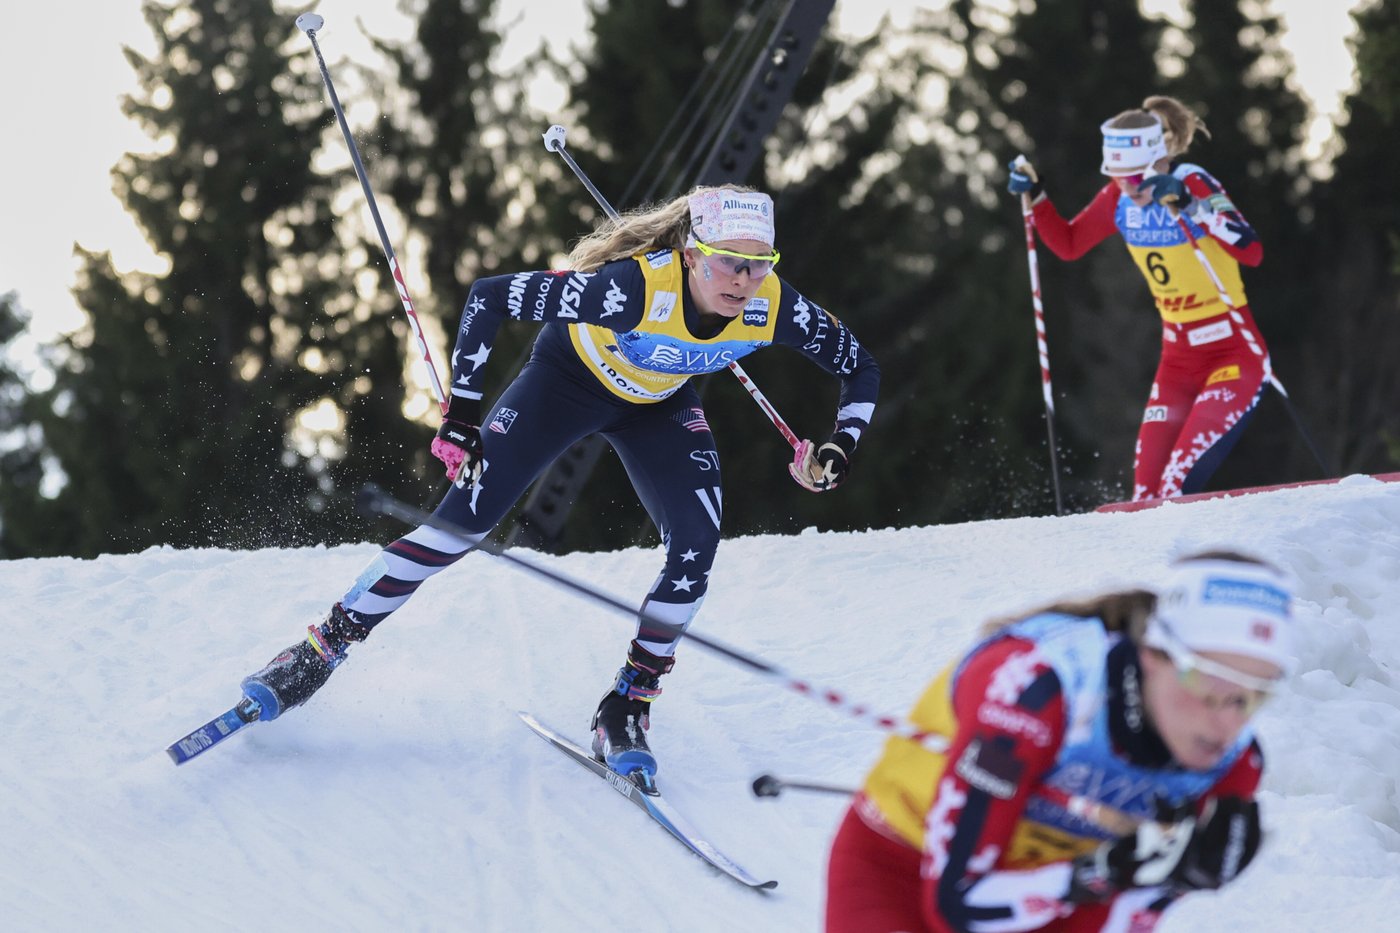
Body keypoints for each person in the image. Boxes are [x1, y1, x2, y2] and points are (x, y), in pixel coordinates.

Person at [240, 186, 880, 779]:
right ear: (689, 255)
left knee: (697, 546)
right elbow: (491, 298)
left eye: (759, 263)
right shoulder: (629, 290)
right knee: (459, 527)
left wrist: (839, 447)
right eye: (725, 262)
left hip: (657, 407)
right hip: (565, 385)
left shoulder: (772, 305)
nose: (743, 281)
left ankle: (626, 706)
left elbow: (862, 369)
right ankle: (321, 649)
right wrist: (462, 414)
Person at [825, 550, 1297, 932]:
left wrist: (1172, 876)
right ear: (1154, 655)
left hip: (1055, 900)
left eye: (1253, 699)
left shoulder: (1234, 765)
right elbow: (955, 907)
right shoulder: (1036, 691)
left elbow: (1126, 917)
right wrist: (1109, 871)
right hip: (902, 862)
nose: (1227, 725)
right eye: (1211, 690)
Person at [1008, 96, 1272, 501]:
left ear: (1157, 161)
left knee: (1175, 484)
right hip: (1177, 362)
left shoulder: (1193, 182)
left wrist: (1192, 207)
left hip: (1233, 354)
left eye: (1134, 177)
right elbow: (1070, 243)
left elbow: (1252, 251)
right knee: (1145, 494)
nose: (1127, 188)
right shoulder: (1118, 199)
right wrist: (1037, 199)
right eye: (1116, 177)